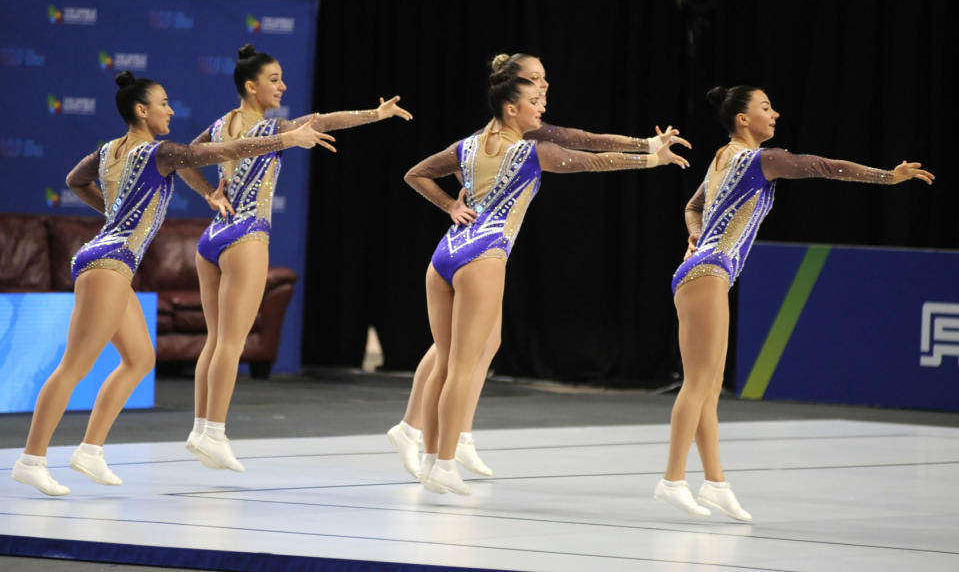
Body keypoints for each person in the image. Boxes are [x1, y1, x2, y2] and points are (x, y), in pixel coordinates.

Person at [10, 71, 333, 497]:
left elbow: (75, 179)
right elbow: (230, 148)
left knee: (140, 359)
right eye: (163, 103)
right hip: (108, 262)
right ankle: (31, 459)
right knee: (75, 366)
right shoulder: (162, 153)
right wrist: (286, 140)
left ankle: (90, 450)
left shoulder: (109, 151)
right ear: (141, 110)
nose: (171, 110)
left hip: (110, 258)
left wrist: (114, 213)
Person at [388, 52, 690, 479]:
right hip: (485, 254)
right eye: (535, 91)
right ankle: (441, 460)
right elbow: (591, 159)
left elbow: (415, 173)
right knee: (457, 365)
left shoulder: (469, 144)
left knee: (453, 358)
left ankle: (437, 450)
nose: (543, 99)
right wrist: (650, 158)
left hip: (445, 254)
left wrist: (449, 206)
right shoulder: (532, 151)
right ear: (512, 104)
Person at [654, 85, 934, 521]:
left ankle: (715, 484)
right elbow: (823, 166)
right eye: (766, 108)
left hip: (706, 270)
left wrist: (696, 234)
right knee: (697, 386)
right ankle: (672, 480)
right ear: (742, 118)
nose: (776, 113)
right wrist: (887, 176)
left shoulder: (720, 158)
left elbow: (692, 206)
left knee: (708, 389)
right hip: (708, 272)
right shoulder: (760, 160)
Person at [185, 44, 412, 472]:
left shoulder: (220, 125)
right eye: (274, 80)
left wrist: (373, 114)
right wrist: (293, 137)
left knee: (216, 341)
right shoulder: (267, 130)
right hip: (246, 235)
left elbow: (186, 158)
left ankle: (201, 429)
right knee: (230, 343)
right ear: (250, 86)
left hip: (213, 239)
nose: (282, 86)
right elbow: (287, 134)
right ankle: (214, 431)